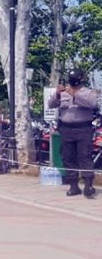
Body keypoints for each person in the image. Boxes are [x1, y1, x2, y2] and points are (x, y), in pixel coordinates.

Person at [48, 69, 99, 198]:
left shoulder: (88, 93)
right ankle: (73, 186)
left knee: (84, 156)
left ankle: (88, 185)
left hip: (83, 129)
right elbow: (51, 104)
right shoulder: (63, 93)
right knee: (68, 157)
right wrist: (57, 94)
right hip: (66, 129)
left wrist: (75, 94)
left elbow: (93, 104)